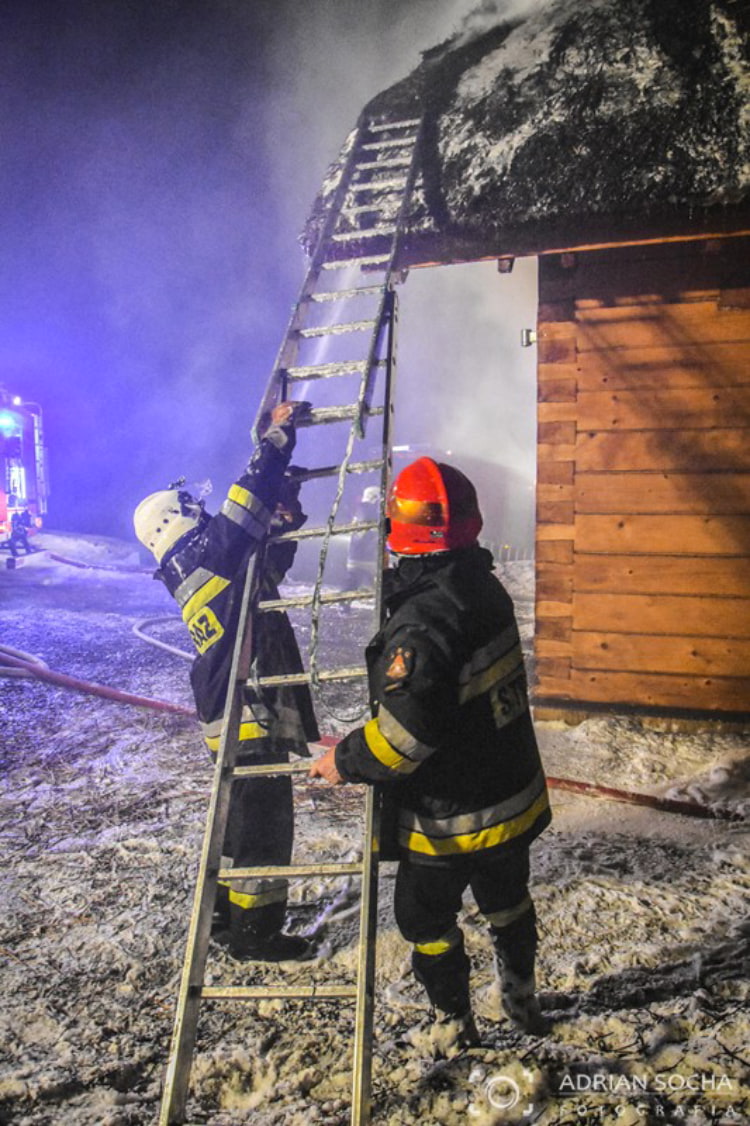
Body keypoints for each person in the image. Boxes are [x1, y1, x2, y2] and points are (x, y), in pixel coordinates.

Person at [310, 456, 551, 1046]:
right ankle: (520, 1002)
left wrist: (343, 760)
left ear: (399, 529)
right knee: (508, 903)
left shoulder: (422, 623)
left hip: (448, 817)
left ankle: (454, 1023)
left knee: (425, 922)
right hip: (510, 798)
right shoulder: (482, 586)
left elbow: (404, 741)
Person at [134, 401, 319, 961]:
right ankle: (257, 936)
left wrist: (283, 516)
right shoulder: (206, 554)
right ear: (175, 519)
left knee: (237, 823)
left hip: (231, 707)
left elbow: (264, 568)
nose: (203, 508)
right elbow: (242, 508)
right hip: (247, 706)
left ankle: (224, 918)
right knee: (264, 824)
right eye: (193, 506)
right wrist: (276, 440)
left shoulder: (200, 565)